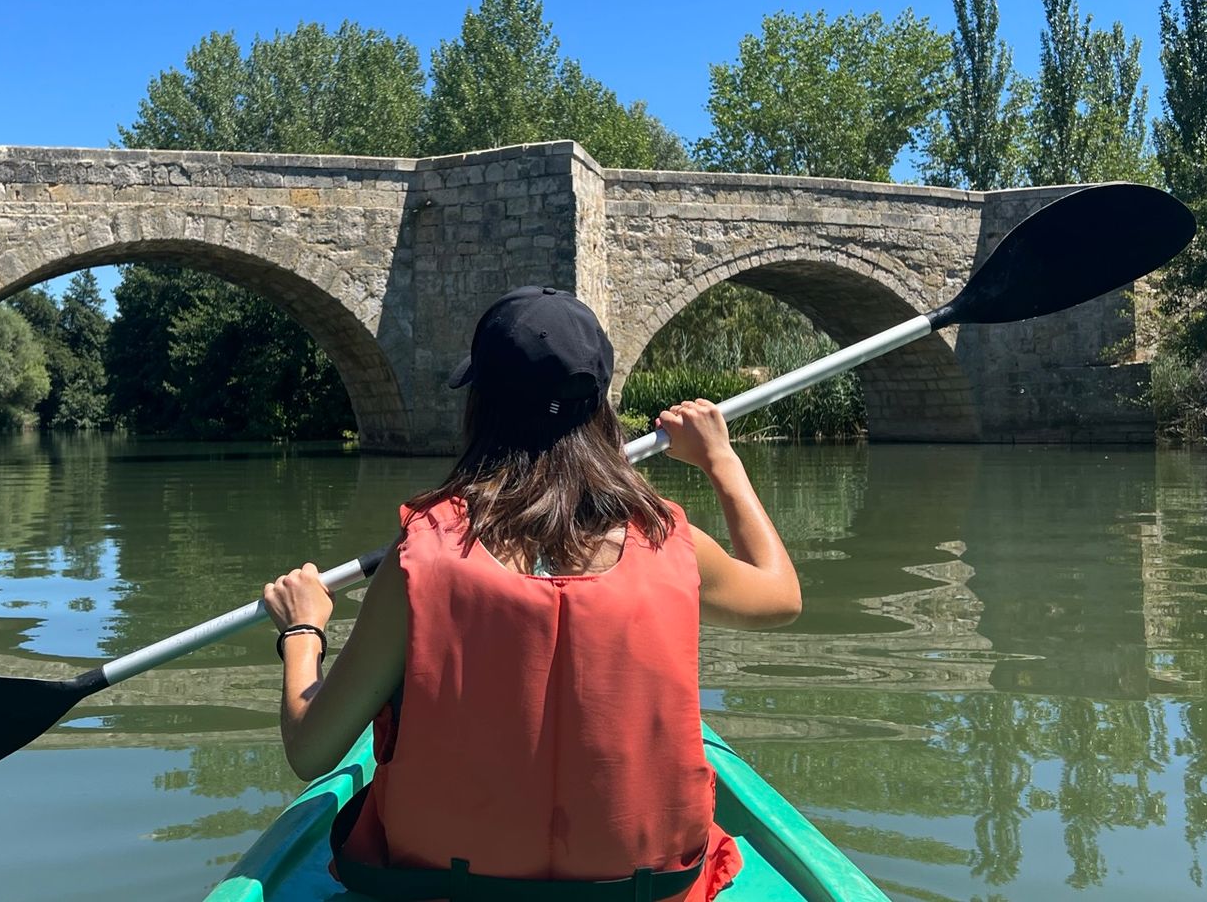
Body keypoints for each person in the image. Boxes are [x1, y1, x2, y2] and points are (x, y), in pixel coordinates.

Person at [261, 285, 802, 901]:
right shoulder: (668, 539)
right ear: (599, 404)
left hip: (444, 888)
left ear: (481, 407)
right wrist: (721, 461)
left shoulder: (421, 557)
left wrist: (302, 630)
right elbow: (780, 596)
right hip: (652, 889)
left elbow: (312, 751)